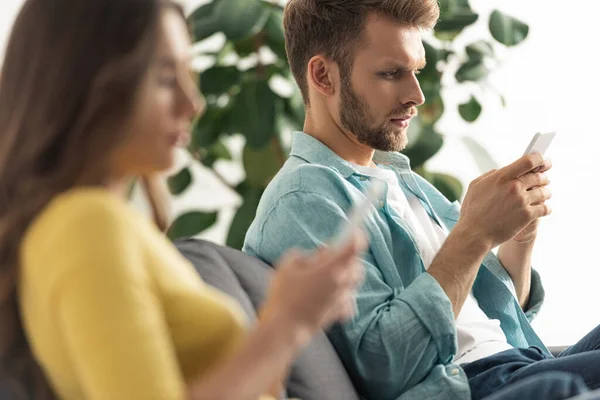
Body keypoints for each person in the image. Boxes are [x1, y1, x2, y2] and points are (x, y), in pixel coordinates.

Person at [0, 1, 366, 399]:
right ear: (85, 85)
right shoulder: (86, 225)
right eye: (164, 78)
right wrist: (285, 325)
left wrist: (284, 321)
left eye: (187, 75)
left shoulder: (100, 224)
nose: (192, 103)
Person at [243, 1, 600, 399]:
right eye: (391, 73)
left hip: (523, 364)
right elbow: (386, 367)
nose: (415, 95)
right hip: (474, 386)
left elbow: (492, 317)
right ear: (323, 76)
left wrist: (519, 236)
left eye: (416, 72)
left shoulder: (403, 181)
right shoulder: (304, 200)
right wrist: (474, 234)